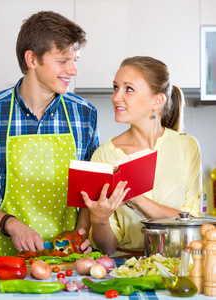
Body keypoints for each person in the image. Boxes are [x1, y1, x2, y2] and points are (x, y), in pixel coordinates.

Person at [0, 11, 99, 256]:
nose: (73, 70)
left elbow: (92, 192)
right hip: (2, 260)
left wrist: (79, 236)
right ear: (32, 60)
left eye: (75, 60)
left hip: (68, 259)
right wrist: (10, 223)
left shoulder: (84, 115)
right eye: (63, 61)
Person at [79, 56, 203, 257]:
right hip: (123, 268)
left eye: (128, 89)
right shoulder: (104, 155)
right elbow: (107, 247)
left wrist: (137, 199)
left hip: (178, 264)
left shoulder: (187, 146)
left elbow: (191, 222)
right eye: (115, 87)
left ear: (157, 101)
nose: (116, 97)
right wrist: (99, 220)